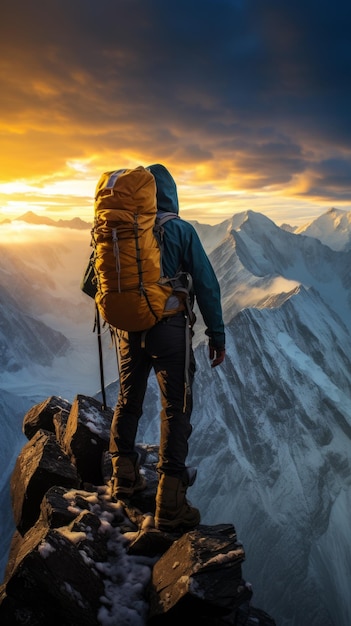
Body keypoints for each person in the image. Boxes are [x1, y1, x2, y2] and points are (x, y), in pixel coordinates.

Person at [109, 163, 226, 532]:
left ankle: (124, 475)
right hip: (169, 332)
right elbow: (207, 285)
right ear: (171, 193)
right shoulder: (180, 229)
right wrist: (217, 336)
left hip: (129, 330)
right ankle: (170, 502)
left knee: (128, 399)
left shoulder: (122, 229)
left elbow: (90, 281)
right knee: (175, 407)